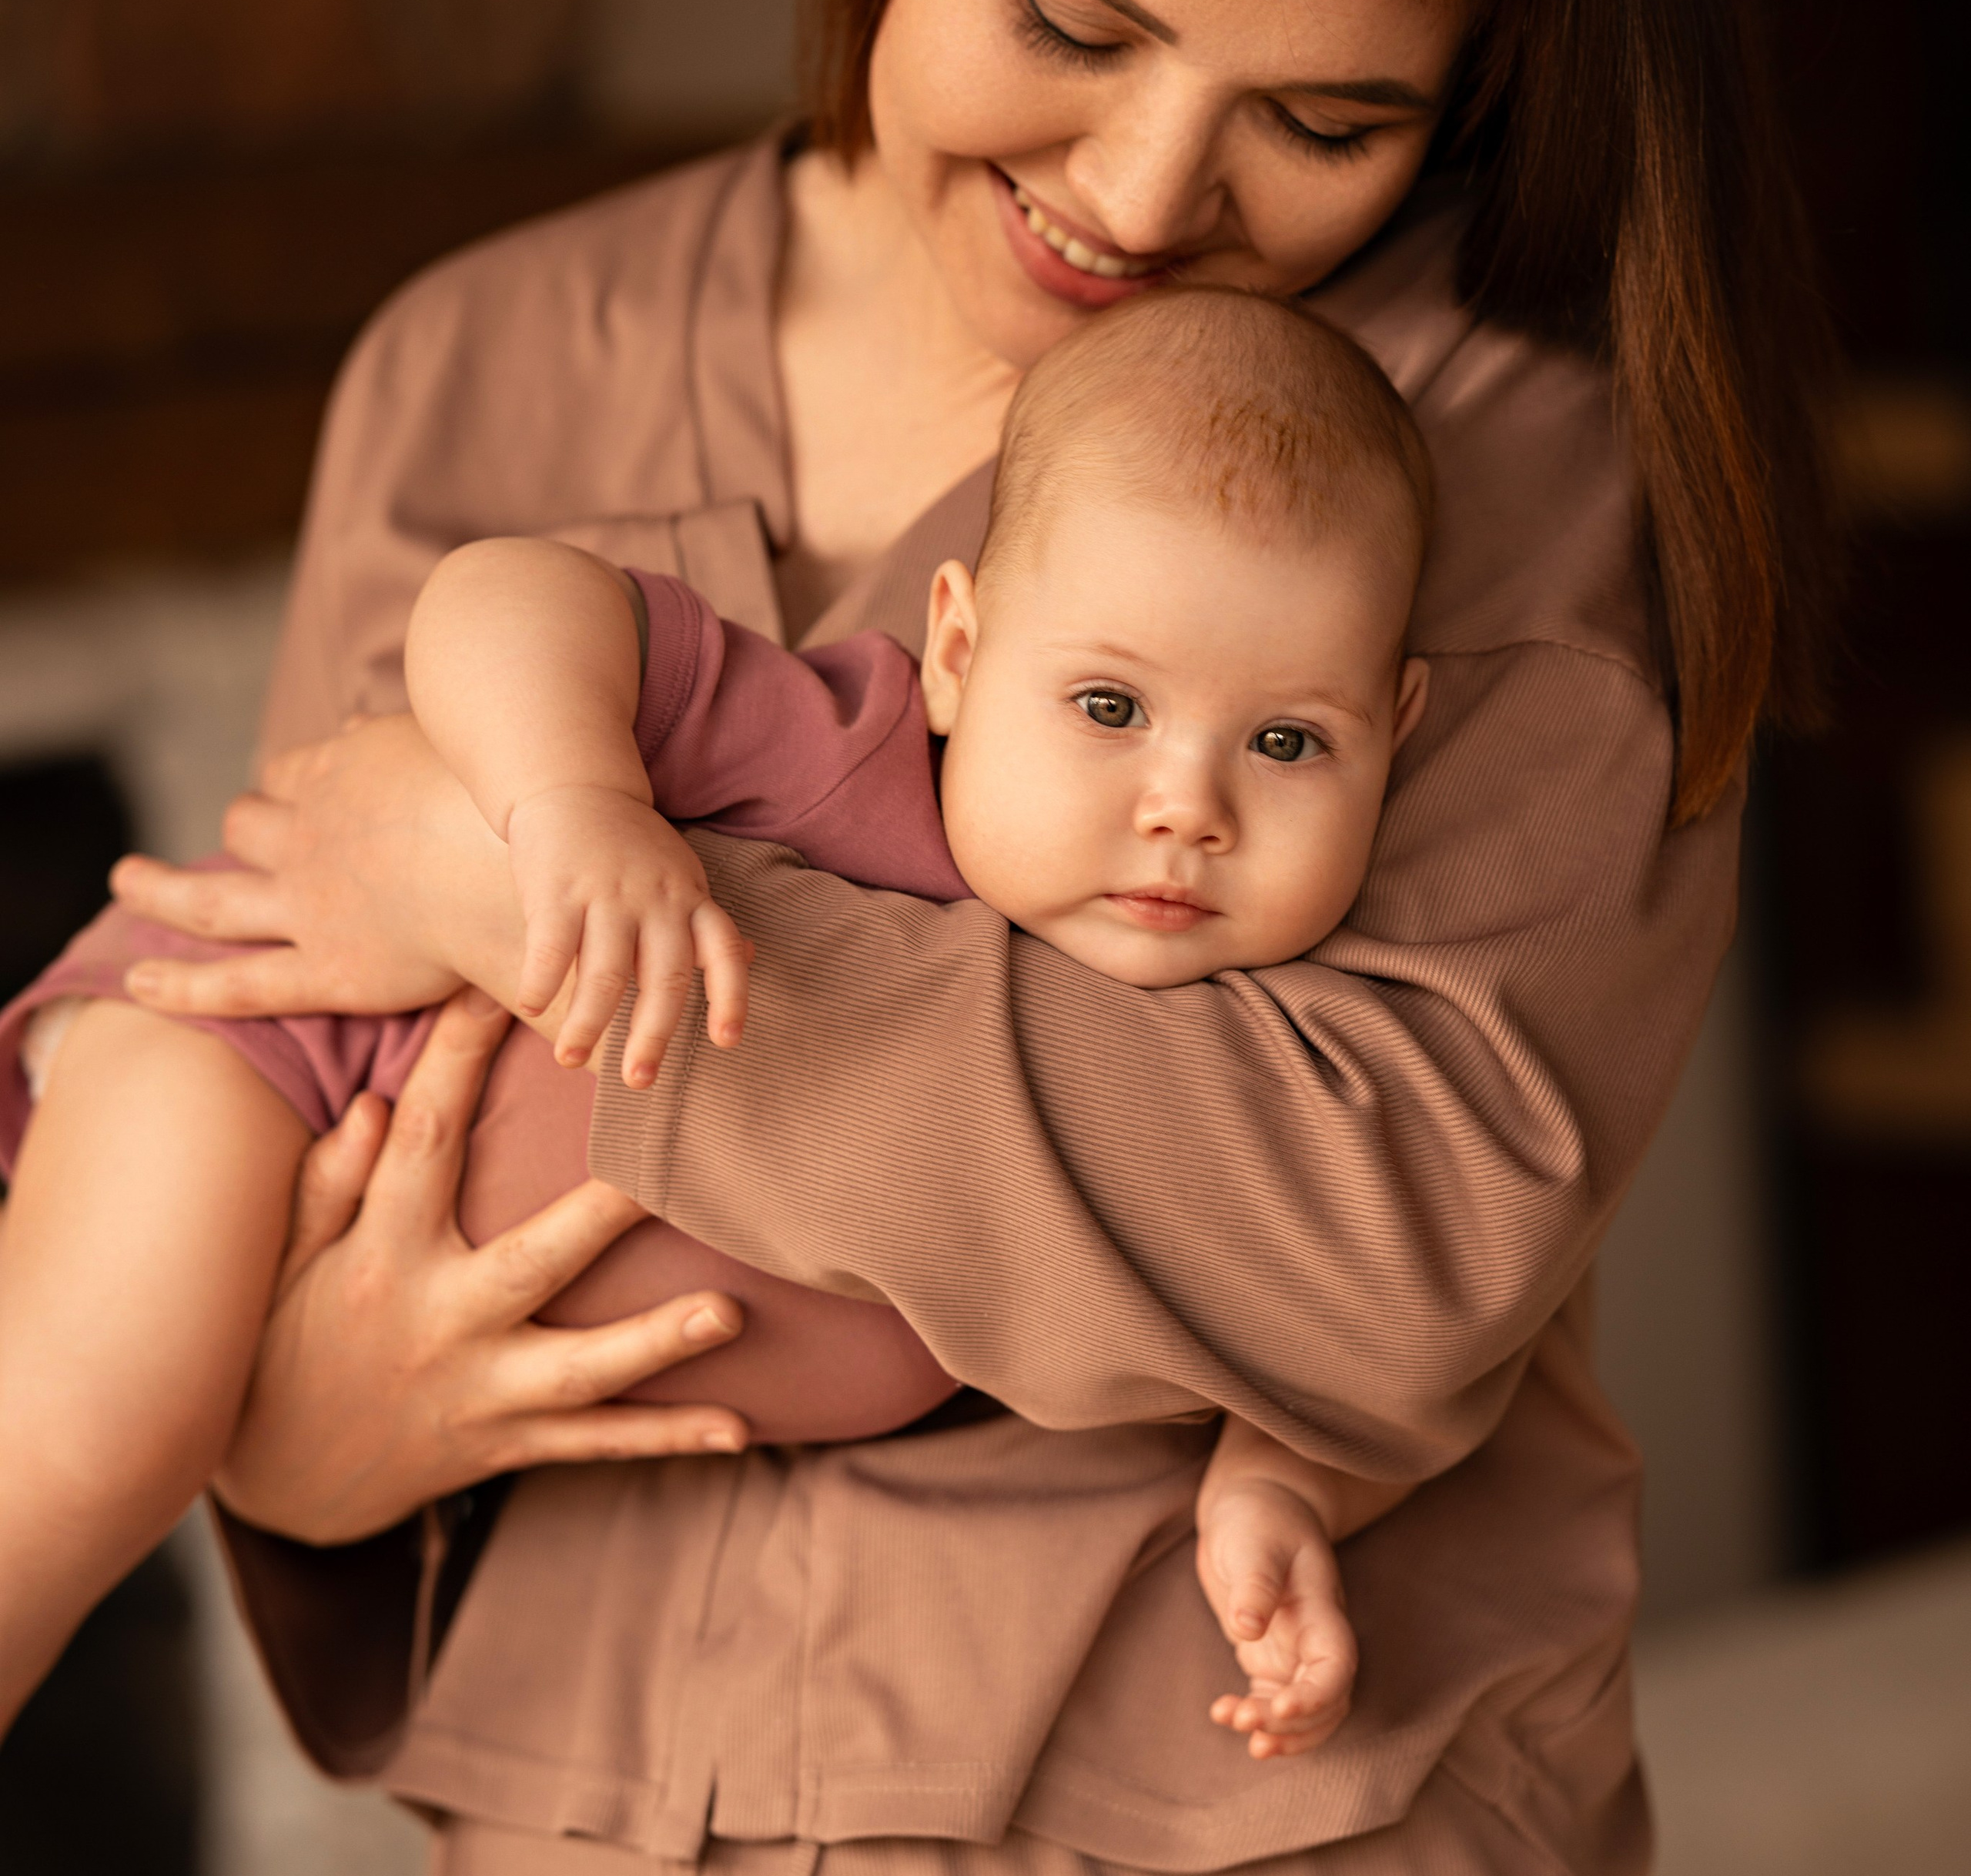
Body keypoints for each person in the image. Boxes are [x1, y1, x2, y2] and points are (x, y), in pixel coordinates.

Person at [1, 0, 1832, 1876]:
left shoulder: (1482, 470)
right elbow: (305, 1089)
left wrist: (511, 896)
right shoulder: (484, 369)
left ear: (1472, 94)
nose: (1146, 185)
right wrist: (297, 1442)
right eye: (1071, 23)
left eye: (1327, 121)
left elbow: (1362, 1222)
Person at [0, 289, 1428, 1767]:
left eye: (1287, 741)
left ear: (1397, 730)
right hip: (264, 1043)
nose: (1187, 807)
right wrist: (571, 801)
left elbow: (1324, 1336)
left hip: (456, 1378)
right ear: (957, 649)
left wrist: (1283, 1487)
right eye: (1110, 705)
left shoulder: (1250, 1070)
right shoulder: (849, 760)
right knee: (90, 1439)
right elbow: (503, 595)